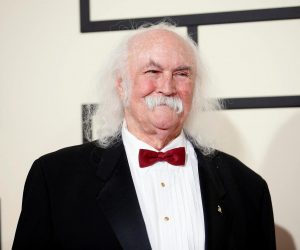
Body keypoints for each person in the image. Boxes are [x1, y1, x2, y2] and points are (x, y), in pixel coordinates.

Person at [13, 23, 276, 250]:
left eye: (182, 74)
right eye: (152, 72)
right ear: (121, 84)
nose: (167, 87)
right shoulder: (55, 179)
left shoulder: (248, 189)